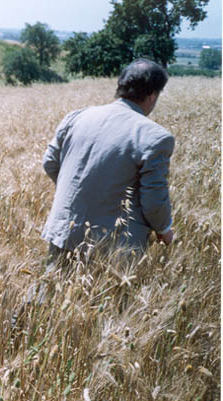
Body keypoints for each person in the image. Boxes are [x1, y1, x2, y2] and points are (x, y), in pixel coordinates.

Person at [41, 58, 175, 266]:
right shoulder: (155, 137)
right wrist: (164, 229)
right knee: (107, 299)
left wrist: (81, 194)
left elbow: (50, 162)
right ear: (152, 95)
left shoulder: (76, 117)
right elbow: (154, 198)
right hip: (115, 247)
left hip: (63, 230)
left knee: (49, 294)